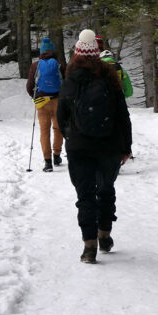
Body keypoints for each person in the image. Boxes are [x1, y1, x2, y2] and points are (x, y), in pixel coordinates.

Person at [57, 29, 132, 264]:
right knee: (106, 189)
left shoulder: (70, 80)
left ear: (77, 53)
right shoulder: (110, 79)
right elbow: (123, 116)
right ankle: (105, 235)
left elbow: (61, 117)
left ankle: (89, 247)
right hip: (109, 146)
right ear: (97, 53)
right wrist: (126, 147)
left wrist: (71, 137)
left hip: (79, 147)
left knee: (85, 195)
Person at [26, 37, 64, 173]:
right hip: (57, 101)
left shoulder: (35, 65)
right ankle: (57, 155)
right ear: (52, 51)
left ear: (41, 52)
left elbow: (29, 85)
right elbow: (65, 83)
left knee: (44, 131)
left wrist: (35, 96)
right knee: (58, 129)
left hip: (42, 103)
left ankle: (47, 162)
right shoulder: (59, 64)